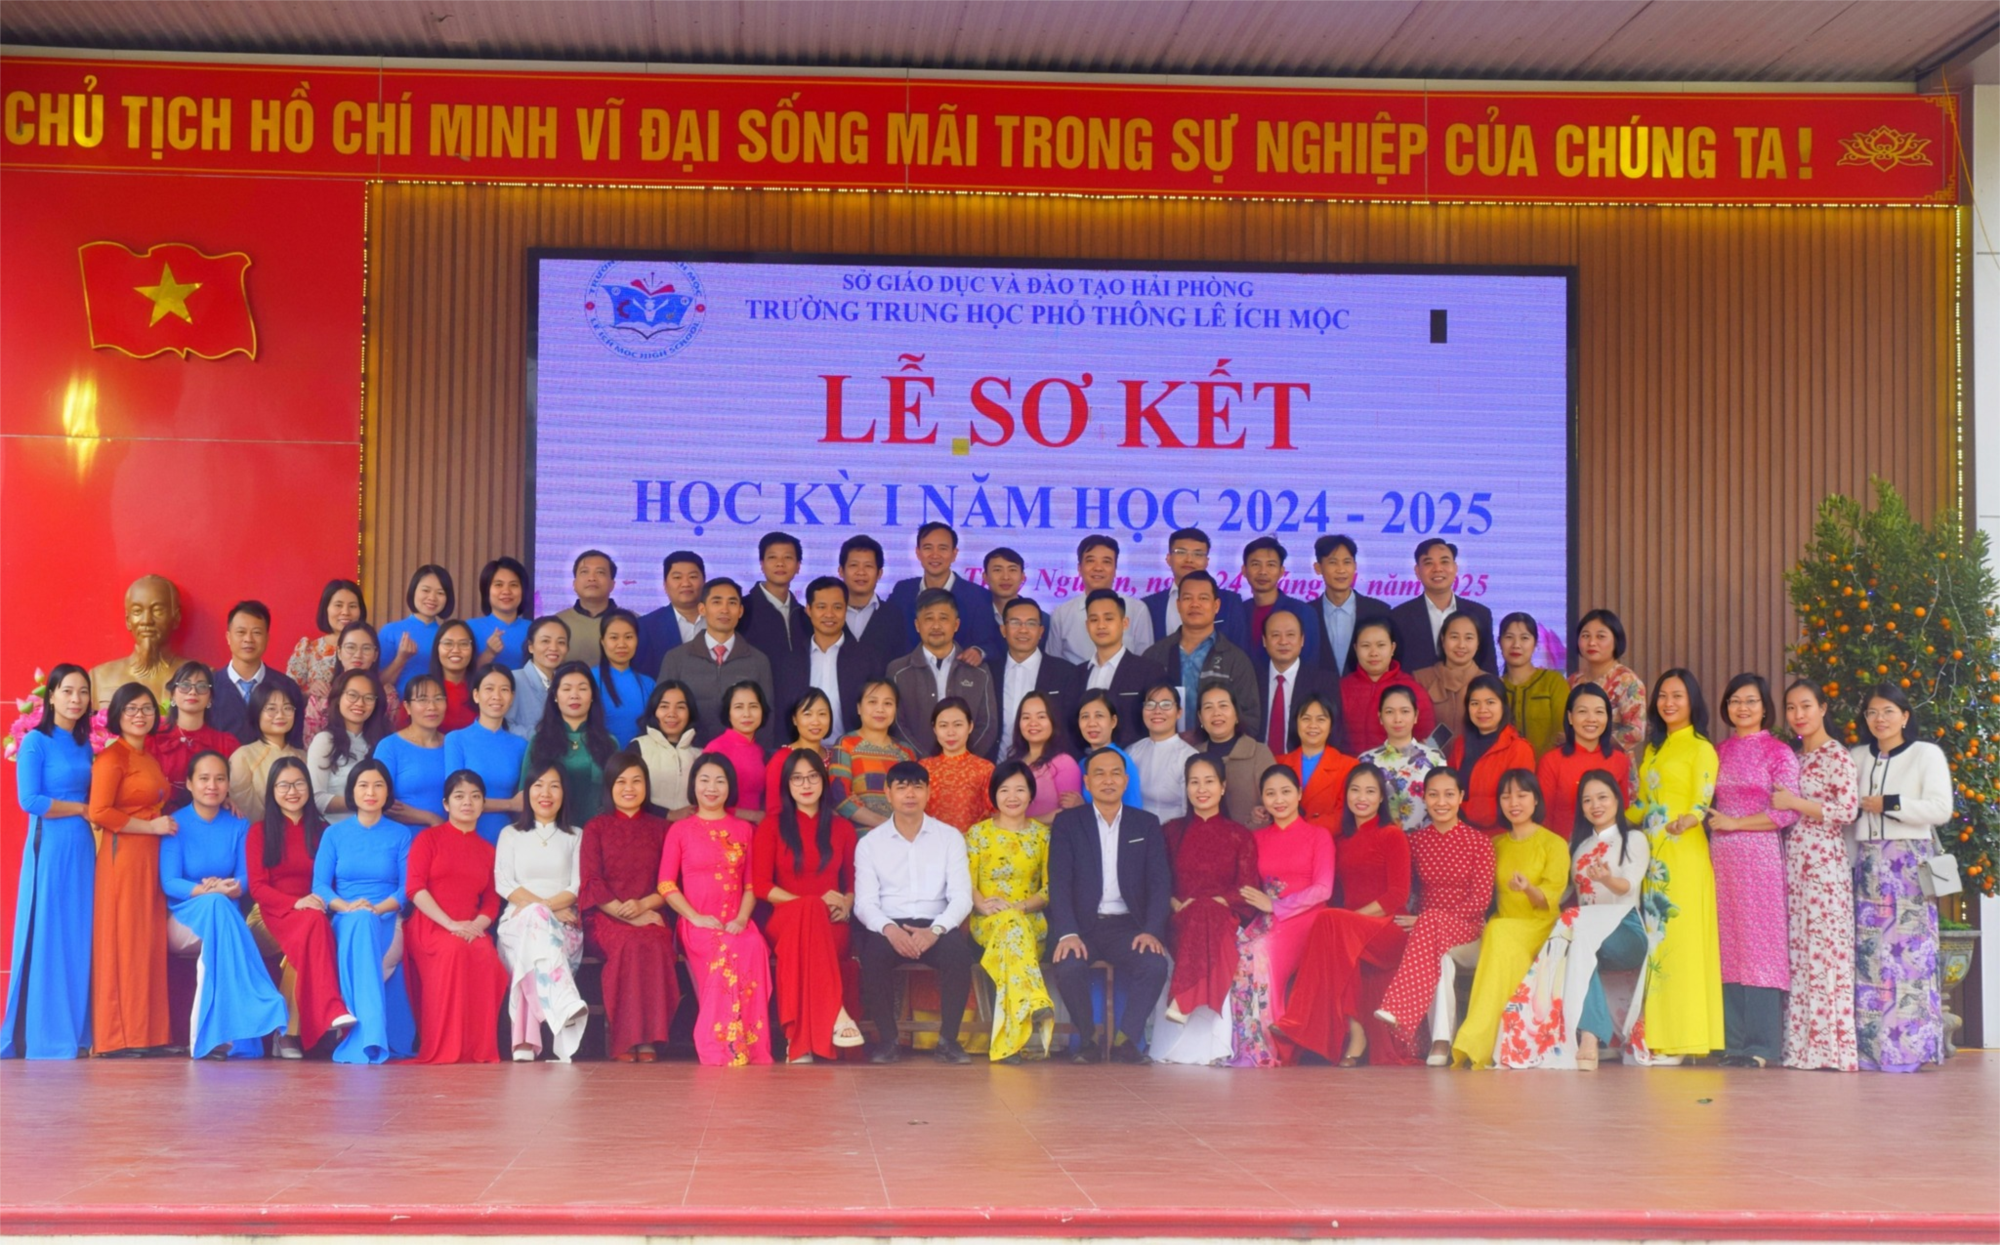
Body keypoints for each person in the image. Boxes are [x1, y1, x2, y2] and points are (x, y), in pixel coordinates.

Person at [1497, 770, 1657, 1070]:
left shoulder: (1633, 839)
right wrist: (1528, 888)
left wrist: (1607, 879)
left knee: (1576, 935)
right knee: (1576, 942)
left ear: (1617, 800)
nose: (1595, 805)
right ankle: (1578, 1035)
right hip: (1587, 935)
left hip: (1625, 931)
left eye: (1602, 797)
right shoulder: (1578, 847)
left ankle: (1589, 1037)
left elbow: (1628, 886)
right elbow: (1560, 894)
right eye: (1587, 800)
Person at [1274, 764, 1411, 1066]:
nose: (1362, 797)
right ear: (1346, 795)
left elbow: (1397, 896)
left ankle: (1298, 1020)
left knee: (1332, 923)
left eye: (1370, 791)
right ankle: (1355, 1033)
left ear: (1381, 798)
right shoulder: (1342, 841)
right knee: (1333, 931)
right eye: (1355, 790)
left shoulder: (1392, 835)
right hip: (1352, 930)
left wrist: (1352, 918)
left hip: (1389, 929)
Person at [1849, 682, 1951, 1072]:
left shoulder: (1926, 754)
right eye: (1873, 712)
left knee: (1910, 959)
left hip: (1909, 865)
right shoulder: (1857, 756)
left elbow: (1940, 809)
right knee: (1871, 958)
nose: (1880, 719)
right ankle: (1872, 1049)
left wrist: (1889, 804)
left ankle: (1910, 1049)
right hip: (1869, 866)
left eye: (1889, 711)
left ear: (1905, 716)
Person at [1047, 748, 1172, 1063]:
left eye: (1115, 773)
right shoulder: (1068, 823)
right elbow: (1058, 882)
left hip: (1128, 926)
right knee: (1068, 966)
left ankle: (1126, 1040)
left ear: (1126, 781)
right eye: (1099, 774)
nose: (1108, 780)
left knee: (1154, 964)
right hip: (1082, 926)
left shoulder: (1145, 824)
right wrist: (1067, 933)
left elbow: (1160, 883)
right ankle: (1087, 1039)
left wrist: (1152, 930)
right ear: (1087, 782)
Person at [160, 751, 288, 1059]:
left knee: (220, 909)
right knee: (218, 904)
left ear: (228, 785)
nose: (212, 786)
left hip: (223, 914)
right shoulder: (176, 825)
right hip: (184, 919)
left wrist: (228, 888)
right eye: (203, 778)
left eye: (220, 779)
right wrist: (208, 891)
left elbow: (246, 876)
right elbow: (170, 882)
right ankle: (260, 999)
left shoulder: (238, 824)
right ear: (189, 783)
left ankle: (223, 1036)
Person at [852, 761, 978, 1063]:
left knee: (959, 955)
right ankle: (888, 1041)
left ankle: (948, 1041)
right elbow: (864, 903)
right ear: (888, 793)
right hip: (889, 924)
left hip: (935, 924)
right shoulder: (870, 844)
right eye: (901, 787)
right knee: (872, 956)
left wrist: (935, 931)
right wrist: (890, 930)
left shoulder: (949, 837)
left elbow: (962, 897)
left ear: (928, 792)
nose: (910, 794)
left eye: (918, 787)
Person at [1, 665, 96, 1060]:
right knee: (49, 933)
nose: (76, 699)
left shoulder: (86, 744)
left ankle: (79, 1031)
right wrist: (81, 808)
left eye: (83, 691)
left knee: (79, 934)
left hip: (83, 848)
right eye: (67, 690)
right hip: (51, 845)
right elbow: (31, 801)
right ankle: (43, 1033)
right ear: (51, 696)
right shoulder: (35, 744)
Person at [1372, 767, 1496, 1065]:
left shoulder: (1479, 842)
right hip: (1427, 935)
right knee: (1439, 956)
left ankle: (1400, 1007)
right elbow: (1403, 890)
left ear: (1461, 797)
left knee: (1431, 925)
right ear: (1424, 798)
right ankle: (1441, 1041)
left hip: (1469, 932)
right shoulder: (1415, 842)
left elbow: (1480, 902)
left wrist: (1430, 920)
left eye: (1449, 794)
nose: (1441, 802)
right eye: (1434, 794)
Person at [1708, 673, 1801, 1068]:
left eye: (1750, 701)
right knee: (1727, 944)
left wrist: (1735, 823)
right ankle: (1733, 1043)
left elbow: (1786, 811)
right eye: (1735, 701)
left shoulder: (1778, 753)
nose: (1742, 708)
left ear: (1765, 708)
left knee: (1760, 944)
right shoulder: (1718, 752)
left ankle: (1762, 1046)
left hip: (1759, 857)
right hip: (1720, 858)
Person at [1630, 668, 1723, 1064]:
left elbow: (1702, 799)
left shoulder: (1701, 747)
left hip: (1684, 854)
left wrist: (1691, 818)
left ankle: (1685, 1040)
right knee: (1657, 946)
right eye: (1663, 696)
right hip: (1653, 858)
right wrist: (1607, 812)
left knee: (1681, 946)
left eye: (1677, 696)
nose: (1668, 703)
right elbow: (1642, 804)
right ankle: (1659, 1035)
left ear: (1692, 702)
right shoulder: (1654, 749)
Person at [659, 753, 774, 1065]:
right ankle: (721, 1044)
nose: (711, 788)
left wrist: (742, 919)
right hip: (696, 922)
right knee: (724, 951)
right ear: (693, 785)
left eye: (720, 781)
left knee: (752, 946)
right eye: (705, 780)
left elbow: (751, 885)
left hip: (737, 920)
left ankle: (749, 1043)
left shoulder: (745, 829)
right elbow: (666, 884)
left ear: (730, 787)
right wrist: (695, 917)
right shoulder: (680, 830)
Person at [1450, 770, 1568, 1067]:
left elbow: (1549, 899)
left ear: (1536, 800)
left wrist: (1528, 888)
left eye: (1521, 795)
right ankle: (1497, 1043)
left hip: (1540, 928)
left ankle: (1477, 1041)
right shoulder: (1495, 844)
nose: (1513, 802)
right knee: (1497, 932)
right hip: (1503, 928)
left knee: (1498, 932)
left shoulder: (1554, 843)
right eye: (1506, 796)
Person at [752, 750, 863, 1063]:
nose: (805, 784)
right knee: (811, 908)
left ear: (823, 781)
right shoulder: (772, 826)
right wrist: (809, 903)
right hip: (784, 920)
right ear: (787, 785)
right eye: (797, 778)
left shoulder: (842, 828)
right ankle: (837, 1014)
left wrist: (847, 904)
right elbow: (761, 886)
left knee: (811, 927)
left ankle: (797, 1042)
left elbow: (853, 883)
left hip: (832, 923)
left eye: (812, 777)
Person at [246, 757, 356, 1058]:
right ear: (272, 790)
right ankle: (327, 1012)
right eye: (283, 785)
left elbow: (333, 879)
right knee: (311, 926)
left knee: (310, 930)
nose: (292, 791)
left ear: (309, 787)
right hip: (270, 912)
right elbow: (258, 888)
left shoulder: (323, 831)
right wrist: (296, 902)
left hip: (313, 912)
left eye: (298, 784)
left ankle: (286, 1033)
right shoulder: (259, 832)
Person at [1152, 755, 1258, 1066]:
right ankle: (1187, 1003)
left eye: (1209, 781)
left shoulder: (1240, 835)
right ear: (1186, 788)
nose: (1202, 789)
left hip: (1223, 918)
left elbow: (1247, 888)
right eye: (1194, 782)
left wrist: (1218, 901)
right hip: (1179, 919)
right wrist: (1175, 903)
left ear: (1223, 787)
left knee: (1206, 910)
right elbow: (1157, 882)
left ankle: (1183, 1000)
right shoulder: (1170, 832)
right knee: (1201, 911)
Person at [89, 683, 176, 1057]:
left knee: (147, 942)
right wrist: (150, 827)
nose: (140, 715)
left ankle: (148, 1035)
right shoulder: (112, 758)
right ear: (117, 715)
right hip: (123, 856)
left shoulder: (149, 757)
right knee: (123, 941)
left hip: (150, 858)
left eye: (147, 708)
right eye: (131, 709)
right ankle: (117, 1037)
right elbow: (99, 812)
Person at [1228, 765, 1335, 1066]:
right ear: (1262, 798)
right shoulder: (1257, 838)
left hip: (1306, 920)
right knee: (1237, 950)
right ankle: (1243, 1044)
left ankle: (1271, 1045)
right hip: (1266, 919)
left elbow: (1323, 889)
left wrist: (1275, 905)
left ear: (1299, 794)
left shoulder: (1318, 836)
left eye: (1286, 792)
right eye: (1271, 793)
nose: (1279, 800)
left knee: (1259, 951)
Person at [312, 759, 416, 1064]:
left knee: (365, 919)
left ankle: (367, 1035)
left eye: (378, 785)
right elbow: (320, 885)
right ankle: (370, 1036)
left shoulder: (401, 834)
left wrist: (376, 908)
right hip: (346, 919)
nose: (371, 792)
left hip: (387, 918)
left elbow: (406, 888)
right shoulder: (334, 834)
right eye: (363, 785)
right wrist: (347, 906)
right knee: (359, 920)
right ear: (352, 791)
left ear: (387, 793)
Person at [1779, 680, 1859, 1072]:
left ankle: (1832, 1049)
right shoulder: (1794, 757)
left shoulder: (1836, 755)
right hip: (1795, 863)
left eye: (1806, 705)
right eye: (1791, 707)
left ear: (1823, 708)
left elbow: (1848, 810)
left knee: (1826, 952)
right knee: (1801, 952)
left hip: (1824, 864)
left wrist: (1796, 802)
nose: (1798, 714)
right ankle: (1803, 1048)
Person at [579, 754, 681, 1062]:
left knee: (655, 942)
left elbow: (670, 881)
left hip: (650, 911)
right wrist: (627, 914)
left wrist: (644, 906)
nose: (629, 788)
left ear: (646, 786)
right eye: (621, 781)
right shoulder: (596, 827)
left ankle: (648, 1037)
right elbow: (592, 881)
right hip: (606, 917)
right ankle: (626, 1038)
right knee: (629, 942)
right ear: (609, 786)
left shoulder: (662, 828)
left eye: (636, 781)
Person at [402, 770, 507, 1064]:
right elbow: (415, 889)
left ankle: (477, 1048)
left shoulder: (487, 850)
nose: (467, 803)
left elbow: (491, 901)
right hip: (430, 926)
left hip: (470, 927)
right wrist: (449, 924)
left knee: (487, 958)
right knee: (453, 952)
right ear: (446, 804)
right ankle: (445, 1046)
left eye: (475, 797)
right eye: (459, 796)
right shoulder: (428, 840)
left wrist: (476, 926)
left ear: (483, 804)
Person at [496, 764, 590, 1062]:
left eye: (554, 786)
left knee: (532, 947)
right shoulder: (510, 834)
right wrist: (547, 909)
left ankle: (524, 1041)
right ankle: (564, 1004)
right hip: (516, 923)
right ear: (527, 792)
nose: (545, 793)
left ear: (564, 793)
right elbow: (505, 884)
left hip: (564, 927)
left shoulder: (576, 835)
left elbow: (577, 886)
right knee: (534, 925)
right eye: (538, 785)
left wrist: (544, 910)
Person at [963, 762, 1056, 1062]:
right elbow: (966, 882)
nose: (1012, 797)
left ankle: (1010, 1042)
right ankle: (1034, 1000)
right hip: (987, 922)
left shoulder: (1043, 836)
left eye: (1020, 790)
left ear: (1031, 795)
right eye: (1004, 790)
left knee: (1012, 928)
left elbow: (1049, 888)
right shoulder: (978, 834)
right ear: (994, 795)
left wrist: (1019, 907)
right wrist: (981, 903)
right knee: (1007, 929)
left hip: (1030, 922)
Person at [656, 578, 777, 747]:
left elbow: (767, 717)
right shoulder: (676, 658)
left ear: (740, 611)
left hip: (740, 755)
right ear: (702, 609)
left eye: (732, 603)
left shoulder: (758, 660)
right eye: (717, 602)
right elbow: (660, 711)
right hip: (688, 753)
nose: (724, 609)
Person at [1141, 571, 1259, 738]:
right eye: (1188, 598)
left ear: (1216, 606)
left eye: (1203, 598)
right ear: (1178, 605)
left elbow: (1250, 719)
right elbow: (1140, 710)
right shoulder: (1155, 655)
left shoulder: (1235, 659)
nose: (1195, 604)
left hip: (1217, 751)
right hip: (1164, 749)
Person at [887, 589, 1000, 757]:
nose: (936, 626)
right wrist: (925, 763)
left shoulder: (978, 670)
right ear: (917, 625)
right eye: (929, 619)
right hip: (914, 768)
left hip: (966, 768)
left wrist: (961, 760)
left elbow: (988, 724)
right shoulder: (898, 671)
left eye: (943, 618)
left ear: (956, 625)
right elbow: (896, 724)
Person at [779, 575, 885, 742]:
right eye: (821, 607)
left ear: (846, 609)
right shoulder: (791, 660)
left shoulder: (867, 658)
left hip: (853, 750)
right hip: (804, 750)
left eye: (837, 607)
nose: (829, 614)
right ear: (808, 610)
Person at [522, 661, 618, 825]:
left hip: (596, 830)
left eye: (582, 689)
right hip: (550, 832)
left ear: (592, 696)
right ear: (555, 696)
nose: (574, 695)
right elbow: (525, 793)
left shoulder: (609, 743)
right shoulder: (539, 741)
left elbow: (617, 795)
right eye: (566, 689)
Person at [887, 522, 1000, 658]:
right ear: (918, 553)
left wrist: (978, 651)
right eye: (928, 548)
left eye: (942, 548)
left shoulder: (978, 596)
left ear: (954, 554)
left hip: (959, 669)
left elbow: (990, 644)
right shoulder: (902, 591)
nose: (935, 555)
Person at [442, 664, 528, 843]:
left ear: (512, 697)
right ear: (476, 695)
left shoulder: (520, 745)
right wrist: (510, 804)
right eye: (489, 689)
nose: (497, 696)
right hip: (465, 836)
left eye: (504, 690)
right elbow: (456, 798)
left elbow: (523, 800)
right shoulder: (456, 739)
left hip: (507, 838)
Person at [1536, 683, 1632, 841]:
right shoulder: (1551, 761)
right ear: (1570, 717)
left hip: (1608, 848)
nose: (1591, 719)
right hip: (1563, 848)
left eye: (1599, 712)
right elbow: (1543, 817)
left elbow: (1622, 812)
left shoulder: (1619, 760)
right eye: (1582, 711)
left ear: (1607, 718)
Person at [1386, 539, 1495, 673]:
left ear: (1455, 568)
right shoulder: (1399, 617)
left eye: (1444, 562)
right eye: (1428, 563)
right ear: (1417, 571)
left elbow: (1489, 669)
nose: (1437, 569)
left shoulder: (1480, 614)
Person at [996, 596, 1083, 761]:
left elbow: (1072, 728)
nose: (1023, 630)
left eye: (1031, 623)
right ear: (1003, 630)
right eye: (1015, 623)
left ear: (1041, 631)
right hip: (996, 766)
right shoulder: (990, 671)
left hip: (1049, 765)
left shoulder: (1065, 672)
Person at [208, 601, 308, 744]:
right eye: (241, 632)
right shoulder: (210, 687)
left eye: (256, 633)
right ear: (228, 637)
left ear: (267, 638)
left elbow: (295, 742)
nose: (248, 639)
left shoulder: (287, 687)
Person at [1447, 675, 1537, 833]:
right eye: (1475, 703)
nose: (1482, 710)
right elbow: (1448, 789)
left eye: (1490, 702)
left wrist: (1462, 807)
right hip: (1460, 834)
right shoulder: (1460, 744)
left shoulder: (1518, 748)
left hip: (1501, 836)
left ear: (1503, 706)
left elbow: (1515, 802)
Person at [1076, 589, 1167, 746]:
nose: (1101, 625)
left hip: (1134, 758)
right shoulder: (1076, 674)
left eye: (1109, 618)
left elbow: (1160, 724)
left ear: (1125, 623)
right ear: (1087, 625)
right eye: (1094, 620)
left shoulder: (1149, 671)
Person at [146, 661, 239, 811]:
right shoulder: (152, 739)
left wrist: (227, 798)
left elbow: (234, 790)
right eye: (185, 685)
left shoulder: (226, 743)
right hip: (158, 820)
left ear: (210, 698)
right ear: (172, 695)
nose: (192, 692)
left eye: (201, 686)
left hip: (209, 820)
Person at [89, 574, 190, 712]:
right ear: (128, 620)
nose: (146, 621)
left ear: (176, 617)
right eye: (137, 611)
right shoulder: (100, 677)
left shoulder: (200, 678)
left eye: (157, 611)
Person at [1047, 535, 1155, 663]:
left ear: (1115, 569)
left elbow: (1145, 661)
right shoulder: (1061, 614)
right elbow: (1053, 665)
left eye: (1106, 562)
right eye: (1090, 561)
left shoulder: (1137, 610)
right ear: (1079, 568)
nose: (1098, 568)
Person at [830, 680, 919, 831]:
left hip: (904, 836)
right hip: (862, 836)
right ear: (859, 708)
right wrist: (888, 826)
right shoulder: (846, 744)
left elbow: (915, 798)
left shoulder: (906, 751)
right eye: (872, 702)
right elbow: (839, 797)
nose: (880, 709)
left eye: (888, 703)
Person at [1142, 526, 1249, 649]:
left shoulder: (1231, 602)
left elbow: (1240, 650)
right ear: (1168, 558)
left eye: (1198, 554)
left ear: (1207, 561)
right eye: (1181, 552)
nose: (1189, 560)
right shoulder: (1149, 605)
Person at [1340, 618, 1435, 752]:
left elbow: (1426, 738)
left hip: (1400, 764)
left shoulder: (1413, 689)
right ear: (1356, 649)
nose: (1373, 653)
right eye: (1366, 646)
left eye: (1381, 645)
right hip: (1348, 765)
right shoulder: (1341, 688)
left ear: (1392, 648)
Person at [1360, 685, 1446, 833]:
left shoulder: (1435, 758)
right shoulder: (1367, 760)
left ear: (1416, 716)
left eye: (1405, 711)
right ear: (1380, 717)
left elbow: (1443, 804)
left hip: (1426, 840)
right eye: (1389, 712)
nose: (1397, 719)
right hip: (1380, 840)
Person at [1260, 609, 1344, 753]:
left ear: (1302, 640)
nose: (1283, 641)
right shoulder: (1253, 678)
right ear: (1264, 641)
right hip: (1257, 762)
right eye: (1275, 635)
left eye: (1290, 635)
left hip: (1305, 761)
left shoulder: (1324, 682)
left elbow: (1335, 732)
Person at [1571, 609, 1647, 769]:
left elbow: (1635, 732)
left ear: (1616, 640)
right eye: (1585, 636)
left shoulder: (1626, 681)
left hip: (1613, 767)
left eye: (1601, 636)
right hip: (1577, 764)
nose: (1592, 642)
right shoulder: (1573, 681)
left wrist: (1589, 739)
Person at [372, 674, 450, 826]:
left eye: (438, 699)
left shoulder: (453, 744)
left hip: (448, 837)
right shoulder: (389, 746)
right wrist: (431, 819)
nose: (432, 707)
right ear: (407, 707)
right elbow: (381, 800)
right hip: (404, 836)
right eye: (422, 700)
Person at [1309, 534, 1391, 678]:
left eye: (1347, 562)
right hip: (1318, 691)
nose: (1341, 570)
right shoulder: (1306, 614)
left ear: (1355, 566)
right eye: (1333, 562)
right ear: (1318, 568)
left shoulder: (1380, 611)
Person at [1194, 684, 1276, 827]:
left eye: (1223, 706)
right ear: (1200, 718)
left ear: (1237, 713)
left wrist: (1262, 814)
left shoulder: (1259, 753)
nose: (1216, 713)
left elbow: (1276, 800)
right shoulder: (1193, 755)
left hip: (1252, 838)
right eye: (1208, 707)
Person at [308, 668, 386, 817]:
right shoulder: (325, 741)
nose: (360, 703)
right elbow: (315, 799)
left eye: (369, 698)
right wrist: (362, 802)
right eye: (352, 695)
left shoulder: (384, 743)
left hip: (378, 827)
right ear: (338, 698)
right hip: (335, 827)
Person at [308, 622, 405, 741]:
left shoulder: (388, 696)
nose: (358, 655)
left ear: (375, 655)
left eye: (366, 648)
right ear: (339, 652)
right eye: (350, 647)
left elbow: (389, 740)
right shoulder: (322, 693)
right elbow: (310, 741)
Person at [228, 681, 307, 822]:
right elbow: (243, 808)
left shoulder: (303, 757)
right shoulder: (243, 756)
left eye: (287, 708)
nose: (280, 715)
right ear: (256, 713)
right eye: (271, 709)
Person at [1240, 537, 1320, 674]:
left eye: (1271, 565)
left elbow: (1310, 665)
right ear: (1244, 570)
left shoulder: (1303, 612)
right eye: (1255, 564)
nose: (1263, 571)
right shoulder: (1238, 611)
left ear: (1281, 571)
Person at [286, 579, 368, 714]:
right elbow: (286, 695)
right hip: (315, 722)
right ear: (326, 609)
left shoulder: (369, 646)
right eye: (338, 605)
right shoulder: (308, 649)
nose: (345, 612)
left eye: (353, 606)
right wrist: (309, 692)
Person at [1277, 691, 1357, 827]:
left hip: (1328, 838)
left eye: (1321, 719)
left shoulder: (1349, 766)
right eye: (1306, 719)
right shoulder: (1278, 763)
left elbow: (1345, 814)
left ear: (1331, 726)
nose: (1313, 725)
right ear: (1296, 723)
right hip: (1285, 837)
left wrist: (1306, 831)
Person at [1498, 612, 1570, 756]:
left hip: (1548, 767)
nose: (1516, 645)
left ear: (1535, 643)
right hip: (1503, 768)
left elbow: (1563, 733)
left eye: (1524, 638)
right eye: (1509, 637)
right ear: (1499, 642)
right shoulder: (1494, 687)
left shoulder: (1553, 682)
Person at [377, 565, 454, 694]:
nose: (432, 598)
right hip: (398, 705)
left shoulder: (448, 635)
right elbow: (377, 683)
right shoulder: (390, 631)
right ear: (413, 591)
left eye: (440, 593)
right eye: (426, 590)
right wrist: (401, 659)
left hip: (436, 704)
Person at [1128, 684, 1199, 822]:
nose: (1157, 711)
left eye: (1166, 705)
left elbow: (1191, 813)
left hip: (1174, 832)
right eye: (1150, 704)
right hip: (1135, 830)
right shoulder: (1132, 752)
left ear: (1179, 712)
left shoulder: (1189, 757)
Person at [922, 698, 995, 829]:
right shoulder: (924, 768)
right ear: (934, 729)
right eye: (943, 725)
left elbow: (996, 814)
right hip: (931, 840)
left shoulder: (985, 769)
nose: (951, 732)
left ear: (970, 726)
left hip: (972, 840)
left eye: (958, 725)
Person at [765, 687, 837, 817]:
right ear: (794, 719)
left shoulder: (836, 756)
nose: (816, 722)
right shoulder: (781, 759)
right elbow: (774, 809)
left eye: (822, 714)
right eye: (807, 714)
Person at [740, 531, 811, 662]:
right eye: (772, 557)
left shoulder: (805, 616)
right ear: (762, 564)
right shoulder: (742, 611)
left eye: (788, 557)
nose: (780, 563)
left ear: (798, 566)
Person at [1414, 612, 1484, 744]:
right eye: (1454, 637)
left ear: (1478, 642)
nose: (1461, 645)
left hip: (1476, 757)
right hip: (1427, 756)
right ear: (1443, 639)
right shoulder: (1420, 679)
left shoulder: (1489, 682)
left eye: (1469, 638)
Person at [1013, 690, 1083, 822]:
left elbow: (1069, 813)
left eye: (1041, 717)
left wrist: (1026, 824)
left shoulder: (1063, 763)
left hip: (1050, 834)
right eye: (1026, 717)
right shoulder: (1014, 762)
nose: (1033, 723)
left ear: (1053, 721)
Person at [635, 550, 707, 677]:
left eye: (693, 577)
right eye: (677, 577)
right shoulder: (646, 626)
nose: (686, 583)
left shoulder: (721, 620)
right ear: (665, 585)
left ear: (704, 582)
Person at [590, 609, 655, 748]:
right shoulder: (588, 679)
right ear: (603, 641)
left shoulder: (648, 684)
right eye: (614, 638)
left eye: (628, 637)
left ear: (637, 640)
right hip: (598, 757)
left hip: (639, 758)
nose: (622, 644)